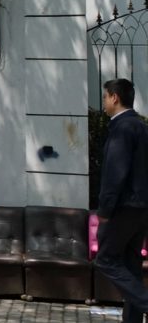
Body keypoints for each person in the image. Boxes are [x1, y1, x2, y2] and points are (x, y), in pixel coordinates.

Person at [96, 78, 148, 323]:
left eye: (105, 97)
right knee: (131, 266)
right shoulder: (139, 126)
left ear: (115, 97)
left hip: (124, 208)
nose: (104, 102)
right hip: (140, 208)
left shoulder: (123, 127)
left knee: (105, 260)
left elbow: (115, 173)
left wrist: (105, 209)